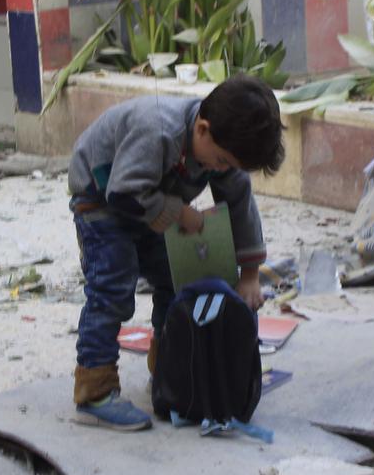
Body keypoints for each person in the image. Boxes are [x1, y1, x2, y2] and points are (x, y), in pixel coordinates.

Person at [67, 75, 285, 430]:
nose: (221, 169)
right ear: (202, 129)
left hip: (149, 203)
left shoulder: (222, 150)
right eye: (220, 161)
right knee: (113, 287)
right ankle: (94, 390)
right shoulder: (158, 131)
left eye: (230, 165)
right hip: (101, 200)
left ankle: (170, 371)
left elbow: (240, 202)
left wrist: (248, 277)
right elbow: (123, 192)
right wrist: (181, 213)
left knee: (176, 276)